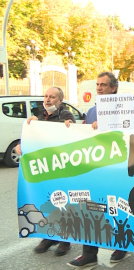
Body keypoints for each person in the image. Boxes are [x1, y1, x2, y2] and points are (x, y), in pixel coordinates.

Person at [66, 72, 128, 268]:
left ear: (113, 88)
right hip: (94, 168)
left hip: (117, 168)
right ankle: (89, 253)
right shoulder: (92, 110)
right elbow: (85, 136)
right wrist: (69, 127)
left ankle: (121, 245)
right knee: (89, 207)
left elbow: (131, 135)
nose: (99, 88)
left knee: (116, 208)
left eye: (103, 85)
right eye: (97, 84)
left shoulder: (125, 109)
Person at [17, 87, 75, 257]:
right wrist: (23, 143)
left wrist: (69, 128)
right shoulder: (38, 117)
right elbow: (32, 139)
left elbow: (73, 137)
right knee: (45, 201)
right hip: (44, 169)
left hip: (61, 168)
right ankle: (48, 236)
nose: (48, 99)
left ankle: (65, 240)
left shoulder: (66, 117)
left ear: (60, 101)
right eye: (46, 96)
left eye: (52, 97)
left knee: (62, 202)